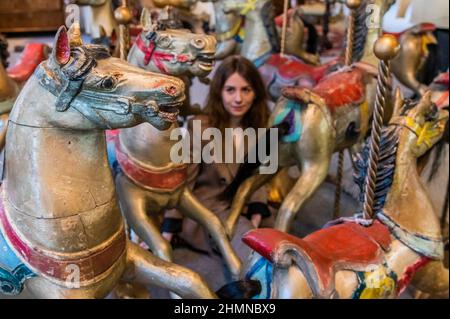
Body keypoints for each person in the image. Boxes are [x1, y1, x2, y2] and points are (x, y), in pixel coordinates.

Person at [161, 55, 272, 261]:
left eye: (246, 89)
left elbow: (261, 179)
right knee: (257, 258)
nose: (238, 98)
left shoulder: (264, 128)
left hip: (246, 211)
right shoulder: (199, 126)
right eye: (230, 90)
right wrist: (168, 230)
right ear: (219, 92)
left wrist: (256, 218)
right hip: (210, 210)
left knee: (280, 249)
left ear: (255, 93)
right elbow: (183, 182)